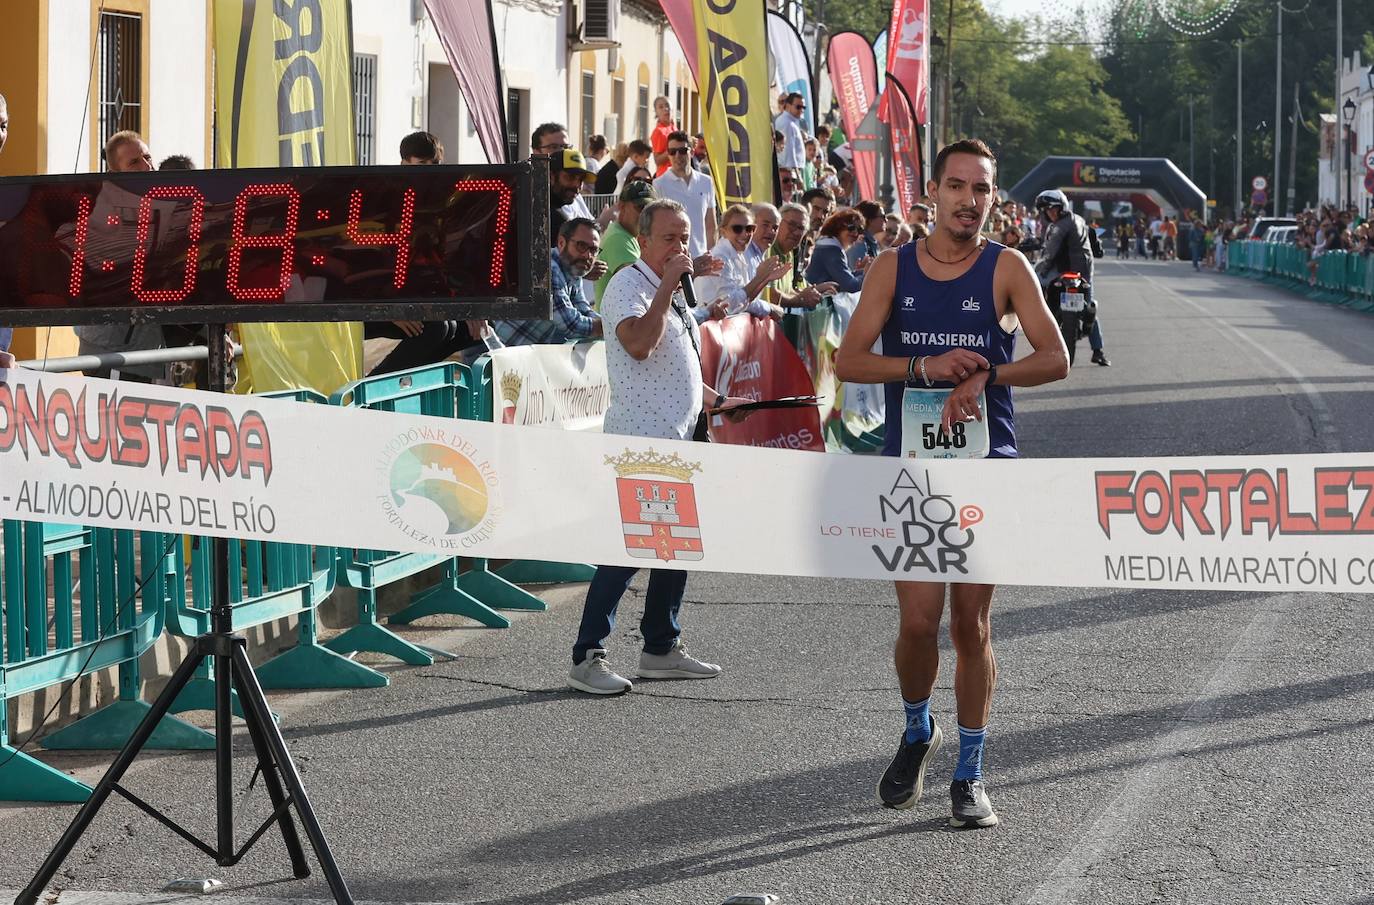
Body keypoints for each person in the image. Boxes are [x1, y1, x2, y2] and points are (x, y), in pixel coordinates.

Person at [833, 137, 1069, 829]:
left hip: (985, 470)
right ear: (932, 193)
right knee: (916, 623)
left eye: (982, 188)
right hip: (910, 471)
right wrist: (923, 368)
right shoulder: (892, 266)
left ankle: (970, 771)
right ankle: (918, 728)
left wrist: (987, 374)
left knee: (970, 624)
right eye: (957, 186)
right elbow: (849, 361)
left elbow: (1055, 357)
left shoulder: (1007, 267)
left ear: (993, 197)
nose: (969, 200)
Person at [567, 199, 751, 695]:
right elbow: (639, 345)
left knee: (676, 547)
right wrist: (668, 285)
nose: (679, 247)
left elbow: (679, 366)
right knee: (627, 549)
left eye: (684, 237)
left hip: (680, 439)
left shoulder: (671, 291)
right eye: (669, 238)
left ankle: (660, 648)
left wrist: (718, 402)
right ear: (643, 241)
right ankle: (587, 655)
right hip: (642, 442)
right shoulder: (628, 284)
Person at [365, 134, 483, 374]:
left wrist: (468, 307)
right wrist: (389, 309)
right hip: (374, 304)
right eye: (421, 164)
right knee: (436, 328)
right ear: (404, 164)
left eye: (435, 164)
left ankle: (406, 384)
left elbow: (445, 266)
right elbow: (368, 265)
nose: (429, 171)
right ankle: (371, 385)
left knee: (467, 330)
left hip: (414, 300)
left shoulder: (442, 205)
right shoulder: (382, 201)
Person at [75, 131, 164, 381]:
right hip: (111, 352)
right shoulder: (102, 214)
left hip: (145, 352)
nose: (146, 166)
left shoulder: (157, 209)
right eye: (134, 162)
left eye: (147, 157)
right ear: (114, 173)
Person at [495, 218, 603, 345]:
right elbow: (572, 325)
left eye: (593, 250)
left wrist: (612, 324)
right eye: (581, 246)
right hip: (501, 351)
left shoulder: (572, 269)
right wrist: (612, 327)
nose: (587, 255)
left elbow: (583, 309)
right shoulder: (548, 270)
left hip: (523, 351)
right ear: (561, 243)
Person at [1034, 189, 1109, 367]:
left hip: (1064, 271)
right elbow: (1094, 242)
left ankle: (1042, 339)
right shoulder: (1080, 220)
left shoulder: (1059, 227)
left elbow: (1049, 254)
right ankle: (1098, 351)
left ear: (1062, 207)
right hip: (1084, 272)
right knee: (1088, 306)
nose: (1051, 213)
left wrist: (1038, 271)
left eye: (1054, 209)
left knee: (1037, 289)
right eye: (1048, 210)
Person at [696, 204, 788, 319]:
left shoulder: (738, 254)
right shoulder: (720, 256)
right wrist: (759, 279)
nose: (745, 234)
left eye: (750, 229)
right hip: (707, 326)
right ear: (723, 231)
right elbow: (730, 305)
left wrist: (765, 279)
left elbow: (744, 301)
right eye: (737, 229)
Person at [653, 130, 717, 259]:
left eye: (682, 151)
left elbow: (710, 225)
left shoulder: (706, 182)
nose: (677, 156)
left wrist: (711, 255)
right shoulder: (659, 184)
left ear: (692, 152)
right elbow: (656, 228)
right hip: (672, 259)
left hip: (700, 258)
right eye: (672, 152)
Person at [761, 201, 837, 309]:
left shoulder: (790, 253)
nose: (796, 232)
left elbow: (788, 291)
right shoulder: (768, 249)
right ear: (778, 223)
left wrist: (813, 292)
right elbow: (770, 295)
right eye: (791, 225)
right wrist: (800, 300)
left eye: (801, 228)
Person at [594, 182, 655, 306]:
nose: (645, 215)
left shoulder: (628, 235)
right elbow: (639, 283)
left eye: (650, 210)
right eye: (640, 207)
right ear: (622, 206)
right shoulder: (618, 238)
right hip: (618, 317)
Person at [805, 209, 869, 294]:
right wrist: (870, 273)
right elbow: (850, 286)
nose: (855, 233)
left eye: (860, 230)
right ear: (838, 227)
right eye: (851, 228)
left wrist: (863, 271)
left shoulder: (827, 245)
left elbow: (845, 277)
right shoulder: (831, 250)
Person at [547, 148, 598, 237]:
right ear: (551, 176)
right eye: (570, 177)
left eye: (581, 180)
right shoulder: (552, 217)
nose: (577, 185)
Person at [774, 92, 806, 172]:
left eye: (803, 107)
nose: (801, 110)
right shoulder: (787, 123)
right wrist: (796, 174)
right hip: (790, 171)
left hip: (792, 170)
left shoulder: (791, 122)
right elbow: (789, 153)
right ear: (788, 106)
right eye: (798, 107)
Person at [649, 97, 676, 177]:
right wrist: (674, 149)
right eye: (661, 107)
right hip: (665, 176)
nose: (665, 109)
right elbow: (658, 160)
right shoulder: (658, 131)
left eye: (667, 105)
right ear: (656, 112)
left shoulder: (673, 127)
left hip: (677, 174)